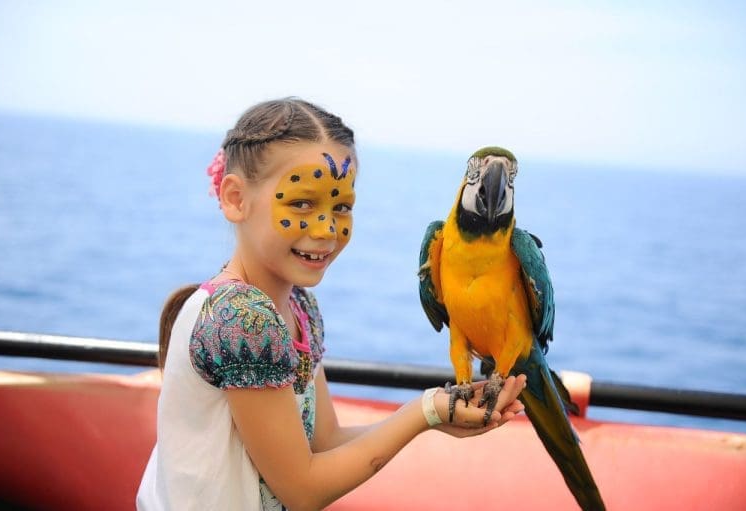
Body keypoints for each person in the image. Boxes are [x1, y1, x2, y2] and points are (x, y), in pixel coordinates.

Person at [136, 98, 527, 511]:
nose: (326, 229)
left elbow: (325, 444)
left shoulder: (300, 309)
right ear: (235, 199)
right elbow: (303, 490)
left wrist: (434, 417)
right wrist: (424, 412)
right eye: (302, 203)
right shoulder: (244, 321)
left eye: (341, 207)